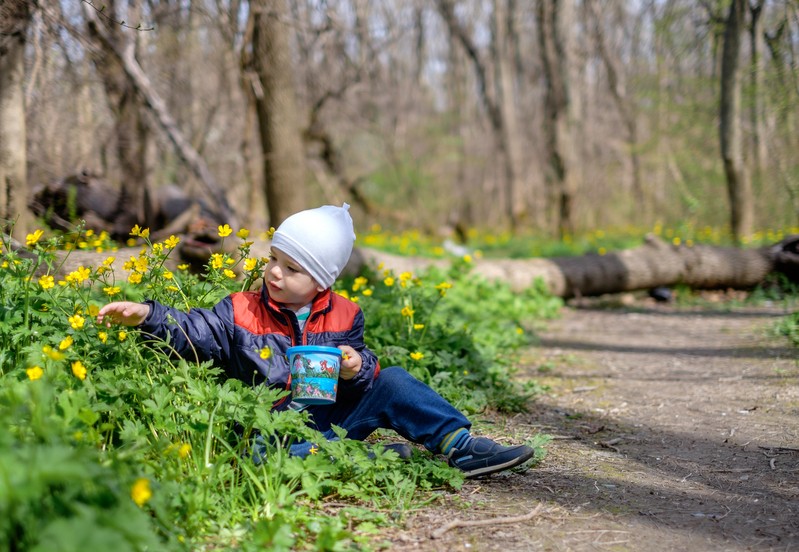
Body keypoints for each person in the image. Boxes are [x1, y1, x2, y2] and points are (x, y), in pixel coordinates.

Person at [97, 204, 534, 478]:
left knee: (393, 380)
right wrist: (149, 315)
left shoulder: (346, 313)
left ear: (321, 280)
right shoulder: (240, 310)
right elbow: (196, 331)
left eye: (292, 268)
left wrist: (355, 367)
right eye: (273, 259)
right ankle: (373, 459)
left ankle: (459, 444)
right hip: (273, 427)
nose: (273, 273)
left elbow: (363, 375)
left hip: (332, 416)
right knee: (257, 456)